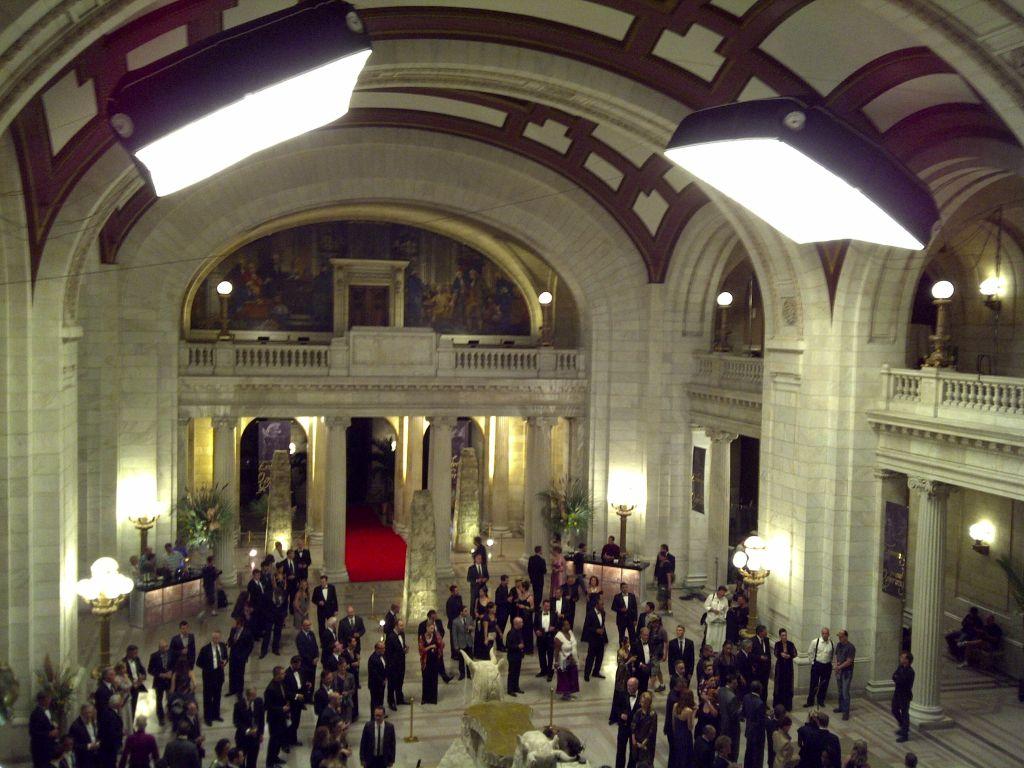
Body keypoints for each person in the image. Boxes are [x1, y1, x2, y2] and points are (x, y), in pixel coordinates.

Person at [197, 631, 228, 725]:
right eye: (214, 638)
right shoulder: (205, 649)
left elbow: (226, 657)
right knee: (207, 698)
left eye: (217, 638)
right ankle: (208, 717)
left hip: (219, 675)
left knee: (217, 696)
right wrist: (209, 667)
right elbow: (198, 663)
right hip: (209, 676)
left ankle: (216, 715)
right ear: (212, 638)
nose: (216, 640)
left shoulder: (222, 646)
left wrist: (225, 663)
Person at [609, 677, 641, 768]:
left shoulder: (642, 696)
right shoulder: (622, 694)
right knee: (620, 751)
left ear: (636, 686)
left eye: (631, 686)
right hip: (623, 727)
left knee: (633, 752)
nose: (629, 688)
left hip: (635, 730)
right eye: (628, 686)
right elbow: (616, 708)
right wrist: (620, 715)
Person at [233, 687, 264, 768]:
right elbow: (236, 722)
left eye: (255, 695)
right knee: (241, 761)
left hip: (255, 738)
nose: (254, 698)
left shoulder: (259, 702)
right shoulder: (239, 705)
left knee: (252, 761)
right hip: (243, 739)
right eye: (252, 696)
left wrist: (261, 733)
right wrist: (248, 730)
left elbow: (261, 719)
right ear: (247, 696)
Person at [263, 667, 288, 767]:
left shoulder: (281, 683)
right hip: (274, 719)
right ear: (277, 675)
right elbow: (268, 706)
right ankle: (270, 763)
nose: (284, 675)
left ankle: (275, 757)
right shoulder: (270, 689)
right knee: (273, 741)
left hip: (282, 717)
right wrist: (281, 709)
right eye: (282, 673)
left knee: (279, 740)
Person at [283, 656, 310, 747]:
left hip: (299, 701)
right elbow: (286, 691)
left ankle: (293, 739)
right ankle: (287, 740)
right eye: (298, 664)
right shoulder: (287, 674)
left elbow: (301, 683)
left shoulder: (300, 670)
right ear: (293, 663)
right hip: (292, 701)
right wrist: (296, 696)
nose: (299, 666)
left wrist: (306, 685)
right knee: (292, 722)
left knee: (296, 721)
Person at [804, 627, 834, 709]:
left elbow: (832, 654)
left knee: (824, 684)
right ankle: (810, 701)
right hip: (817, 665)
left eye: (826, 633)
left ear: (828, 634)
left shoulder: (831, 643)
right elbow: (810, 652)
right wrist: (812, 662)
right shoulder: (815, 642)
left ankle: (821, 700)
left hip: (827, 666)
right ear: (821, 634)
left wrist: (831, 663)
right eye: (823, 633)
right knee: (814, 683)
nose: (825, 635)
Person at [30, 692, 60, 768]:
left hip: (47, 746)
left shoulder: (47, 711)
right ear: (42, 700)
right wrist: (49, 734)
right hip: (40, 748)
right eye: (48, 699)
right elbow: (33, 732)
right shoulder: (36, 713)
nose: (50, 701)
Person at [147, 640, 174, 726]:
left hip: (169, 681)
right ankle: (161, 717)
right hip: (159, 682)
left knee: (170, 698)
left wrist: (171, 672)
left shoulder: (171, 654)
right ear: (159, 648)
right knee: (159, 700)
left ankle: (170, 713)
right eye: (163, 647)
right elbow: (150, 670)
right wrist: (160, 674)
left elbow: (175, 665)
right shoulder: (154, 656)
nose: (165, 649)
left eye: (166, 646)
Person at [741, 681, 767, 768]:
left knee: (748, 752)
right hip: (757, 734)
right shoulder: (760, 703)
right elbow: (761, 722)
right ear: (759, 690)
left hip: (749, 730)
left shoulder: (746, 697)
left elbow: (744, 713)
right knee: (757, 756)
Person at [582, 594, 608, 681]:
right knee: (590, 657)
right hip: (593, 639)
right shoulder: (590, 614)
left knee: (600, 657)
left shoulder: (603, 613)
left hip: (601, 639)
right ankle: (587, 674)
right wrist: (596, 630)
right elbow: (587, 627)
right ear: (596, 605)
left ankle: (596, 672)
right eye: (601, 604)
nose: (603, 606)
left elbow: (602, 624)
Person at [228, 618, 254, 697]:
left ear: (241, 625)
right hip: (233, 655)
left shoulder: (247, 633)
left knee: (240, 674)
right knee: (232, 673)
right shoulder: (233, 630)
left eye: (237, 624)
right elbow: (230, 638)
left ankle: (239, 691)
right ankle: (232, 689)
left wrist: (245, 655)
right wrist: (230, 642)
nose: (236, 626)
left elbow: (250, 646)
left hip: (241, 657)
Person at [384, 619, 408, 710]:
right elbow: (389, 653)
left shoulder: (402, 634)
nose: (403, 627)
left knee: (400, 682)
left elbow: (401, 646)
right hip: (393, 665)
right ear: (396, 626)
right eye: (401, 626)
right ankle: (391, 702)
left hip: (401, 663)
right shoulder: (390, 637)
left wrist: (404, 649)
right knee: (392, 684)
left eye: (403, 625)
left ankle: (399, 698)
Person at [554, 618, 579, 700]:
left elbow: (574, 644)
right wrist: (556, 662)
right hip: (563, 661)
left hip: (572, 659)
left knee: (572, 676)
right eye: (567, 624)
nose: (569, 625)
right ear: (562, 627)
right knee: (564, 678)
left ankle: (569, 693)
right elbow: (557, 651)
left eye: (569, 624)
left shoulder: (570, 632)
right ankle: (566, 695)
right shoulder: (558, 636)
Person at [669, 688, 695, 768]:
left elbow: (673, 723)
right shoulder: (689, 711)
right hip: (686, 737)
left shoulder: (675, 705)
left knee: (678, 756)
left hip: (677, 735)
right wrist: (694, 713)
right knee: (686, 758)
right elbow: (690, 727)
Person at [717, 674, 740, 763]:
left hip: (723, 722)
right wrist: (741, 709)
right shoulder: (732, 697)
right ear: (730, 683)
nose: (737, 684)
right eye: (735, 683)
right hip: (732, 727)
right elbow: (735, 715)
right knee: (733, 749)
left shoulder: (721, 691)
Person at [418, 622, 444, 704]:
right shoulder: (422, 637)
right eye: (431, 628)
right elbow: (421, 650)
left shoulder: (436, 635)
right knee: (425, 680)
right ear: (427, 628)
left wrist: (439, 651)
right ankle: (425, 698)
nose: (432, 630)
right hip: (426, 661)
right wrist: (430, 647)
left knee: (434, 679)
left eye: (433, 628)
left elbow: (442, 645)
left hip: (434, 661)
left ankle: (433, 698)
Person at [832, 629, 855, 720]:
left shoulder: (850, 647)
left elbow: (849, 661)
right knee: (840, 690)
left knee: (845, 692)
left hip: (846, 672)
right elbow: (836, 656)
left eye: (841, 637)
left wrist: (839, 667)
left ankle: (846, 712)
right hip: (839, 671)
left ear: (846, 637)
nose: (839, 638)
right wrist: (836, 664)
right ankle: (841, 707)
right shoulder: (839, 645)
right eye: (839, 637)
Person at [892, 651, 914, 743]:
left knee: (905, 714)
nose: (900, 658)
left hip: (905, 695)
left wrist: (898, 678)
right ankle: (903, 726)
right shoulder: (900, 667)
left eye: (902, 657)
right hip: (897, 693)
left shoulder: (910, 671)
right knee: (894, 710)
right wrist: (898, 678)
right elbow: (894, 677)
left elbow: (902, 681)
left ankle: (905, 734)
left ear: (907, 660)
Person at [631, 691, 657, 767]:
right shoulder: (638, 712)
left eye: (646, 703)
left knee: (646, 762)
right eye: (642, 702)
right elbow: (633, 726)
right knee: (636, 760)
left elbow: (652, 729)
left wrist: (646, 741)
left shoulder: (652, 714)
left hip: (648, 742)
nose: (643, 704)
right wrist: (633, 739)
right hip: (637, 740)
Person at [97, 695, 125, 768]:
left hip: (107, 746)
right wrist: (121, 733)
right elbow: (111, 732)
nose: (122, 703)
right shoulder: (111, 715)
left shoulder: (107, 712)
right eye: (120, 701)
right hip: (109, 747)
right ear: (116, 704)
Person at [773, 629, 796, 711]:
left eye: (785, 635)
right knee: (779, 685)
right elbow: (775, 653)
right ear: (780, 636)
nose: (784, 637)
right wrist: (781, 654)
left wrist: (789, 656)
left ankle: (787, 705)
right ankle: (778, 705)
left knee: (788, 685)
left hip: (788, 668)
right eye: (783, 635)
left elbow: (795, 653)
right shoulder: (777, 644)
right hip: (780, 668)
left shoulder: (790, 644)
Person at [535, 597, 558, 680]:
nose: (548, 608)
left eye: (549, 606)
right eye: (546, 606)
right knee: (541, 655)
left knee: (550, 655)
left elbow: (557, 626)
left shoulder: (553, 614)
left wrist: (554, 628)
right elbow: (535, 625)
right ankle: (543, 670)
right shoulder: (538, 614)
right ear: (543, 606)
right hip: (541, 637)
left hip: (550, 637)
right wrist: (536, 631)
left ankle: (549, 672)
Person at [123, 646, 148, 720]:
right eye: (134, 653)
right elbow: (124, 675)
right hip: (131, 686)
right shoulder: (123, 662)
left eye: (137, 653)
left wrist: (143, 676)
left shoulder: (137, 659)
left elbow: (142, 669)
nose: (136, 654)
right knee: (132, 705)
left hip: (138, 684)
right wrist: (133, 683)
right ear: (128, 652)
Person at [611, 582, 638, 647]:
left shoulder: (632, 596)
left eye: (626, 587)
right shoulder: (617, 596)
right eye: (623, 587)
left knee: (632, 636)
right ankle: (622, 651)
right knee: (621, 636)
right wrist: (620, 610)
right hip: (621, 620)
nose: (625, 589)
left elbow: (635, 608)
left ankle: (633, 651)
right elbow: (613, 607)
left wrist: (635, 619)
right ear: (620, 588)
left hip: (631, 620)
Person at [703, 587, 728, 652]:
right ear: (718, 591)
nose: (722, 594)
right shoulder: (711, 597)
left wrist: (724, 616)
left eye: (723, 593)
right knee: (709, 635)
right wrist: (713, 610)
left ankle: (717, 650)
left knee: (718, 636)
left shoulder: (725, 599)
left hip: (720, 620)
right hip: (711, 619)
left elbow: (726, 609)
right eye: (721, 592)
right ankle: (708, 650)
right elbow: (706, 606)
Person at [505, 617, 526, 696]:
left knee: (517, 673)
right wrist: (518, 646)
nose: (522, 624)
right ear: (516, 624)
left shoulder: (519, 632)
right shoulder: (511, 633)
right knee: (512, 673)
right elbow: (508, 645)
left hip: (518, 656)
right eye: (521, 622)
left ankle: (516, 687)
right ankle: (510, 690)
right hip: (512, 656)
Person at [451, 605, 473, 678]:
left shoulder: (469, 618)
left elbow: (473, 626)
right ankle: (462, 674)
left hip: (469, 642)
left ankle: (469, 673)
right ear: (461, 612)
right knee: (461, 660)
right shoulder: (455, 621)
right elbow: (454, 635)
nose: (467, 612)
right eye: (465, 611)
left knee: (469, 659)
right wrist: (456, 646)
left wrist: (471, 628)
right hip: (461, 643)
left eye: (467, 611)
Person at [367, 642, 388, 713]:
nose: (384, 650)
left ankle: (380, 713)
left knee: (380, 700)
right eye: (383, 648)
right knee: (375, 701)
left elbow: (385, 667)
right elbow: (374, 673)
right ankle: (374, 716)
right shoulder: (373, 659)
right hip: (375, 684)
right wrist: (382, 680)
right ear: (377, 649)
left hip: (382, 683)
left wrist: (385, 678)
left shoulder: (383, 656)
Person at [654, 544, 676, 614]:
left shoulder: (667, 564)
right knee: (666, 597)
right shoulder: (662, 562)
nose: (659, 557)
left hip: (664, 583)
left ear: (663, 557)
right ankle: (668, 611)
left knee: (663, 598)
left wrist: (669, 585)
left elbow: (668, 574)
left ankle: (660, 611)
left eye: (660, 556)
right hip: (662, 582)